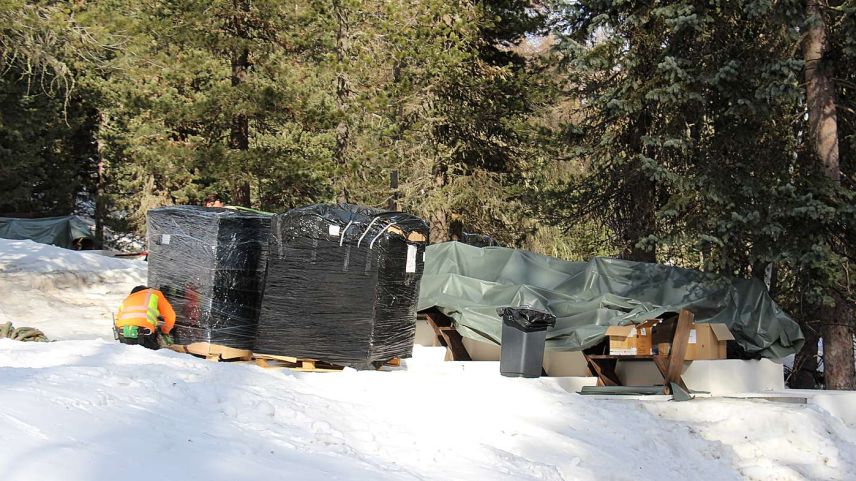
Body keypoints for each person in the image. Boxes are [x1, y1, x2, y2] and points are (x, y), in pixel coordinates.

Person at [114, 286, 176, 350]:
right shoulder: (154, 293)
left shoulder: (126, 300)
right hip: (144, 335)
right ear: (146, 290)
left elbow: (118, 320)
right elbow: (170, 316)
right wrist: (165, 331)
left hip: (123, 334)